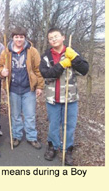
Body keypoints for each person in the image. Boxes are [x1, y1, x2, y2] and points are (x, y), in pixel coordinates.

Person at [39, 27, 89, 165]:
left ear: (63, 37)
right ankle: (53, 146)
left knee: (69, 126)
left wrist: (75, 59)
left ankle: (67, 150)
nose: (53, 39)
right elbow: (47, 74)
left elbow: (85, 70)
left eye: (56, 36)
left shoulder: (71, 53)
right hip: (52, 98)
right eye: (51, 38)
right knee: (54, 125)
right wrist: (61, 64)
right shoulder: (45, 56)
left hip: (70, 98)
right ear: (49, 41)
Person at [0, 27, 44, 149]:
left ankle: (31, 137)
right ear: (13, 38)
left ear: (25, 38)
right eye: (16, 37)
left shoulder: (32, 51)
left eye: (21, 37)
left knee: (30, 115)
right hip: (13, 89)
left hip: (28, 89)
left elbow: (38, 69)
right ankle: (16, 136)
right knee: (15, 115)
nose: (19, 39)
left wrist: (39, 86)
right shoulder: (6, 52)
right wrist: (2, 72)